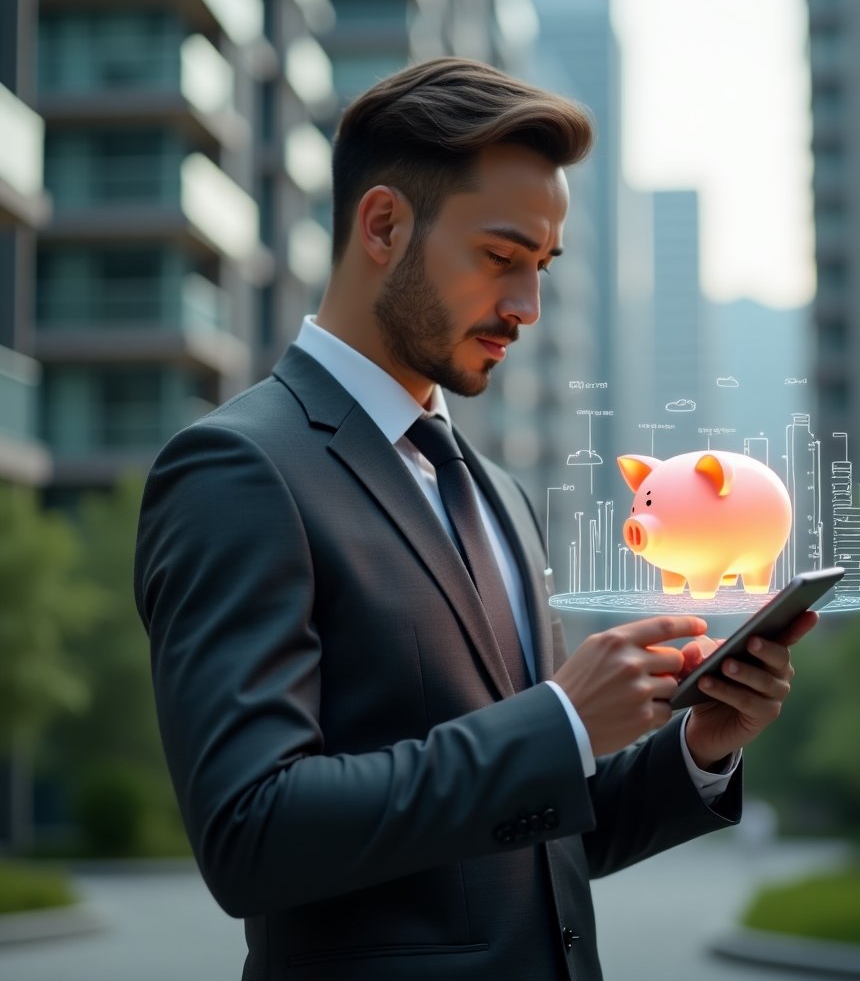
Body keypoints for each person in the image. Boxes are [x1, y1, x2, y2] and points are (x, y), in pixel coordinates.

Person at [134, 57, 816, 981]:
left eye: (541, 267)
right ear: (382, 225)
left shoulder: (498, 493)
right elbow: (253, 832)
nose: (526, 306)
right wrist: (564, 720)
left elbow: (534, 837)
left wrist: (694, 750)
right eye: (501, 258)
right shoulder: (236, 470)